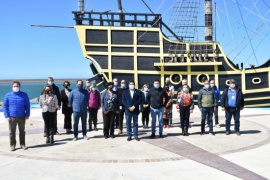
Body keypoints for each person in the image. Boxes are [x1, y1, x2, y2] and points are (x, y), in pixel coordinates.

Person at [3, 81, 30, 151]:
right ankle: (12, 145)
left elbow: (27, 106)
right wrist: (6, 116)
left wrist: (27, 115)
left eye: (17, 86)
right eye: (14, 86)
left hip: (22, 116)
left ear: (19, 86)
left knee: (22, 131)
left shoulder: (24, 95)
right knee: (12, 132)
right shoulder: (8, 95)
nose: (16, 87)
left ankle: (22, 144)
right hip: (12, 117)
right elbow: (5, 106)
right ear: (12, 87)